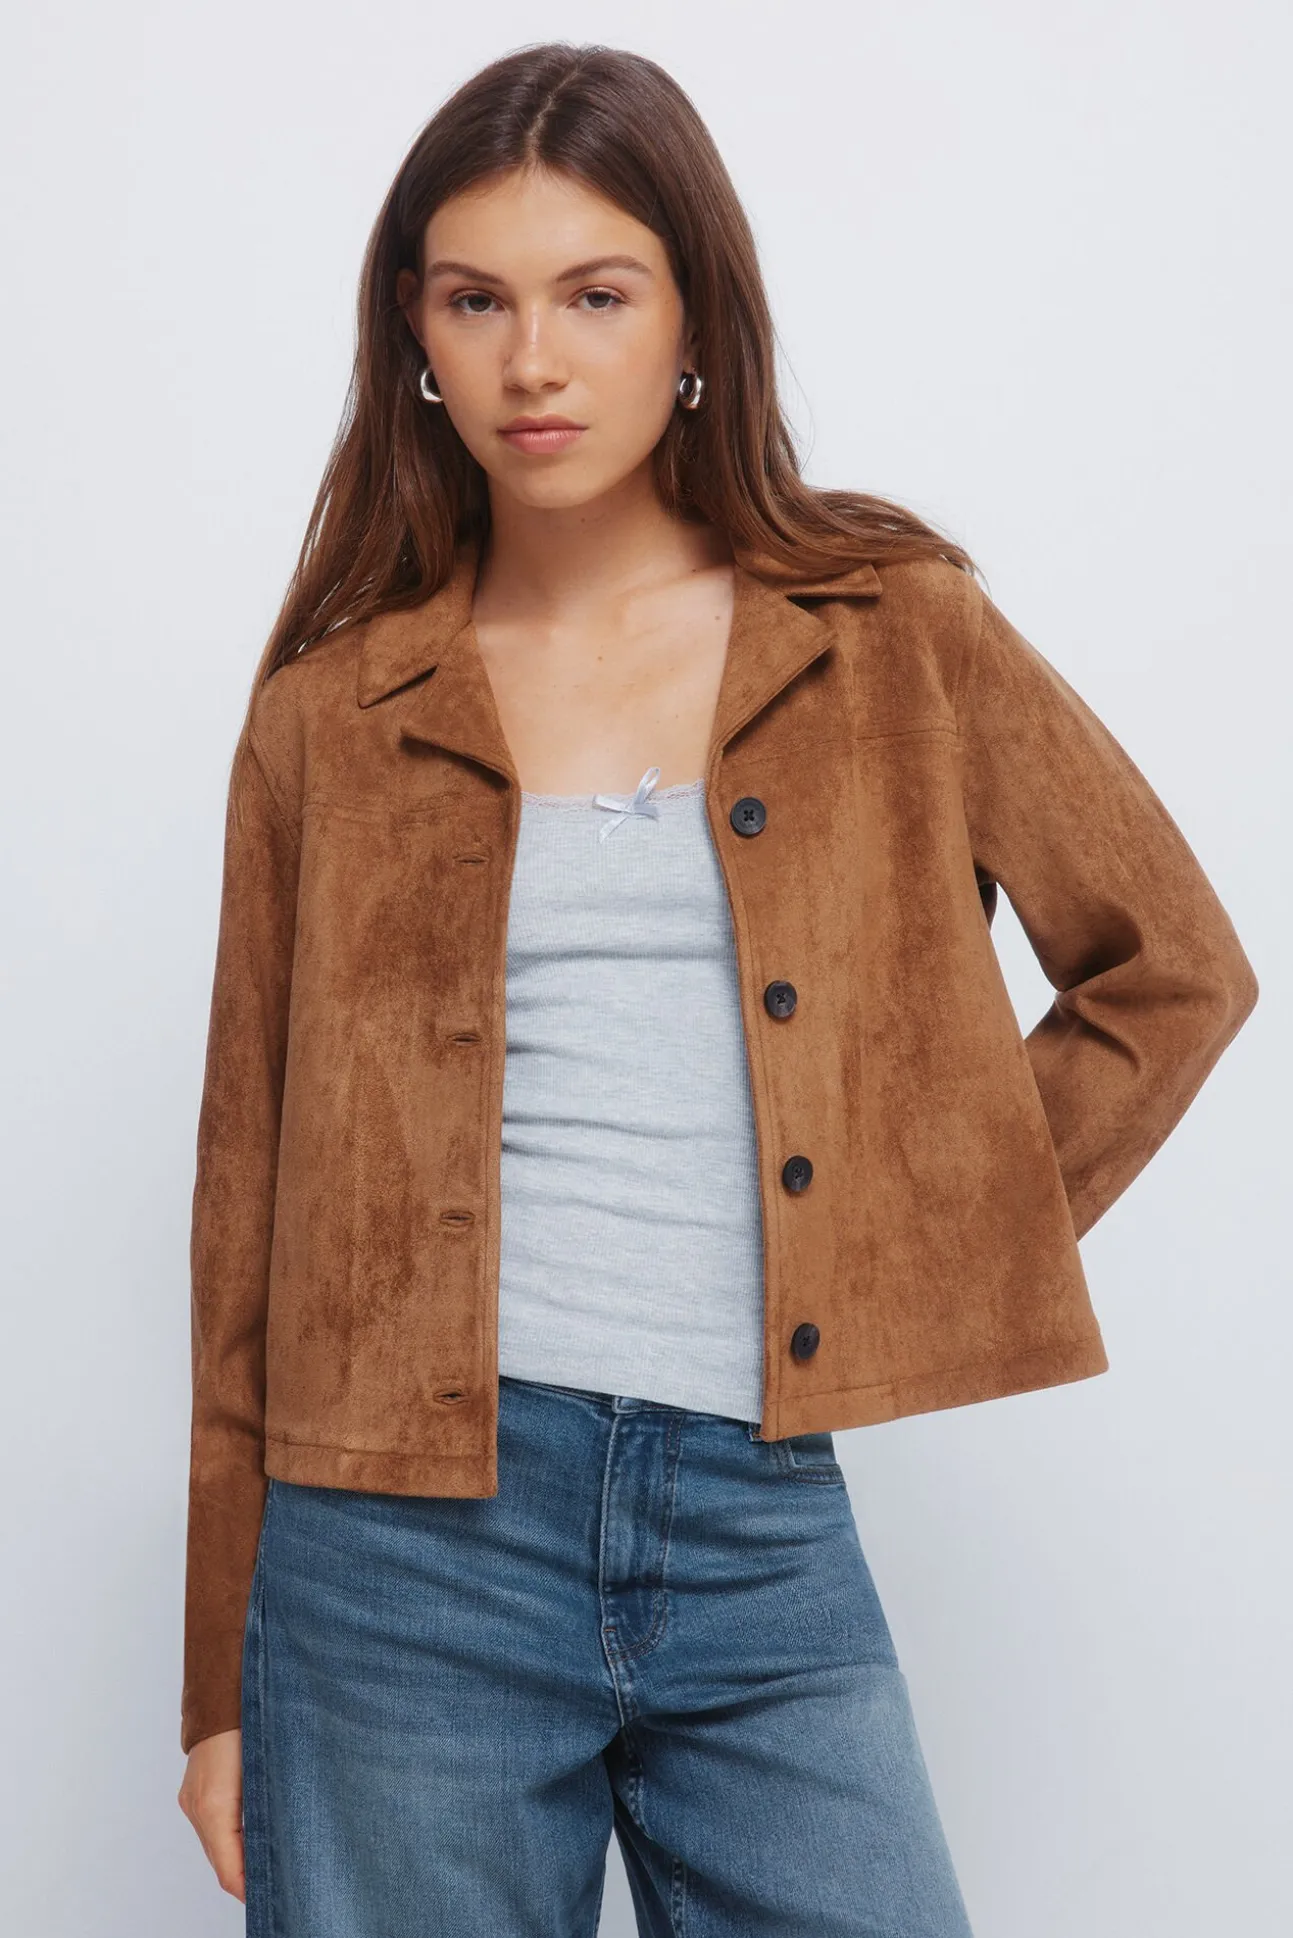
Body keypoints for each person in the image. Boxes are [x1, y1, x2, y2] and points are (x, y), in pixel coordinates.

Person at [175, 41, 1259, 1938]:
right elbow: (243, 1211)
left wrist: (920, 1236)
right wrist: (214, 1682)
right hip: (396, 1554)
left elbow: (1170, 970)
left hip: (757, 1519)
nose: (534, 360)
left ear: (695, 319)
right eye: (478, 300)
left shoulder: (890, 627)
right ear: (414, 332)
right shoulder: (331, 715)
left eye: (596, 295)